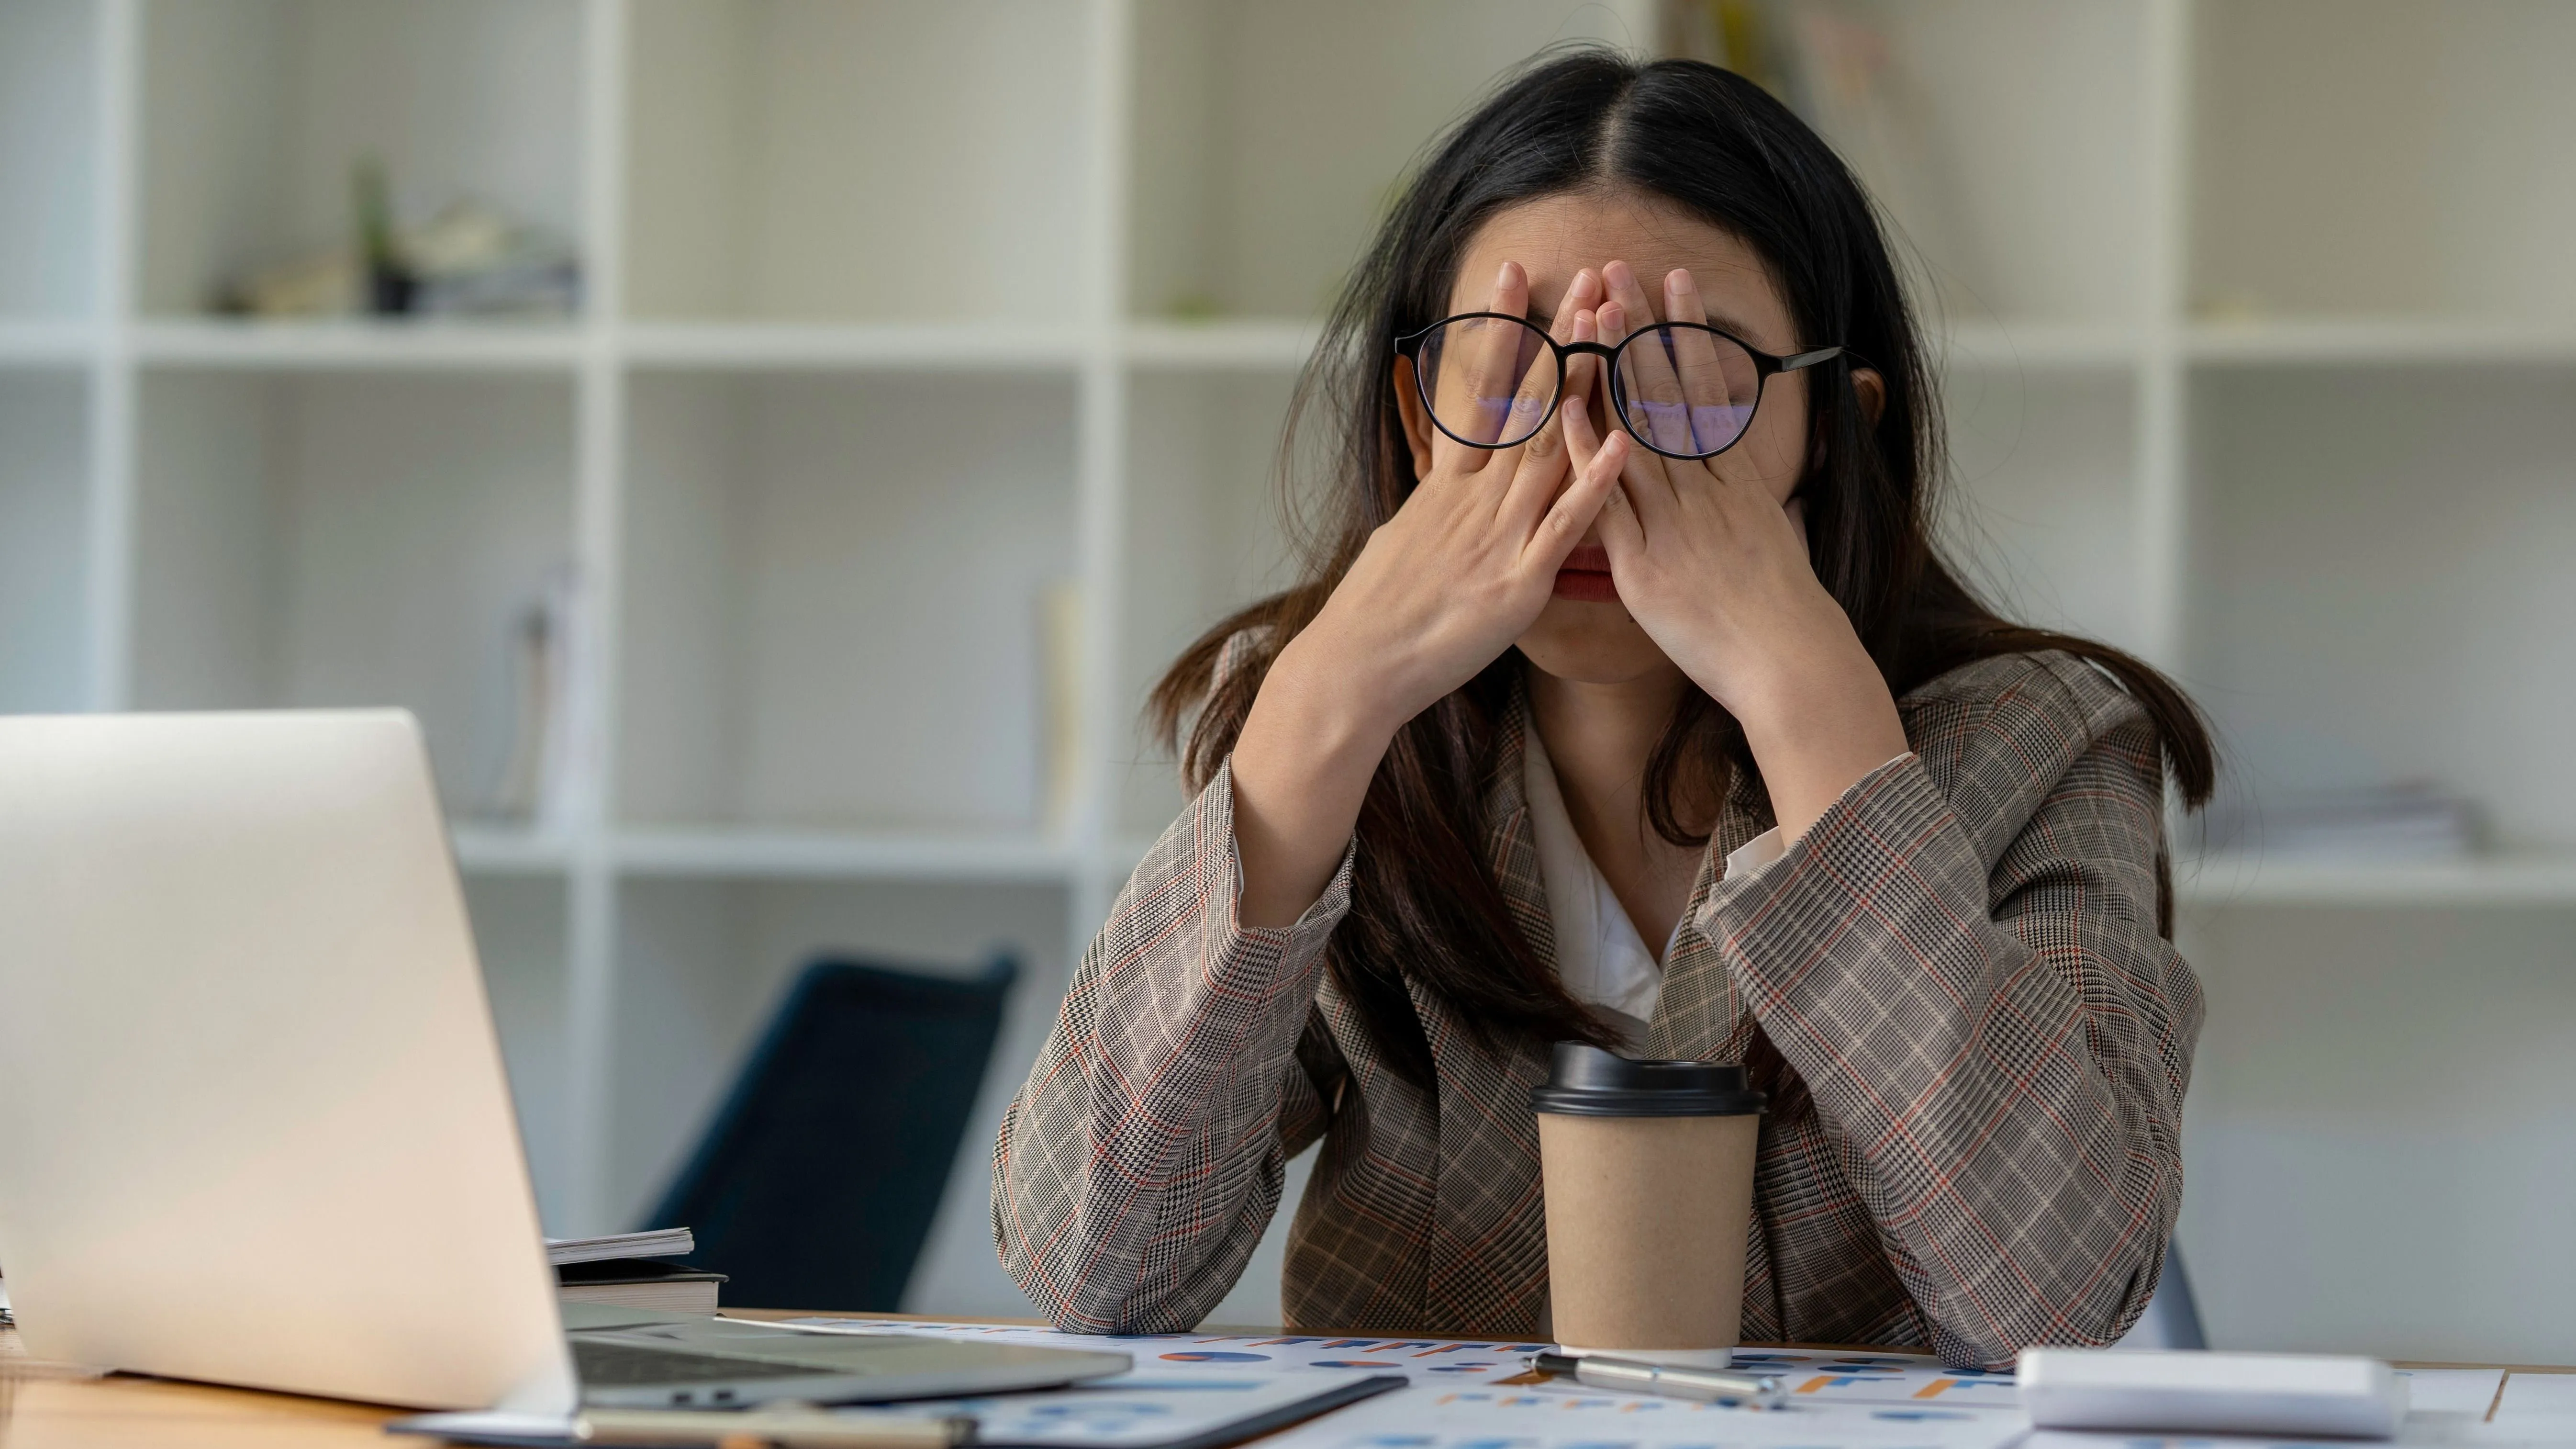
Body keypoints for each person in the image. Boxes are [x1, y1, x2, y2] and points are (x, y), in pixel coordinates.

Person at [992, 51, 2210, 1370]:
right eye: (1509, 368)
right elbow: (1090, 1272)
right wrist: (1321, 707)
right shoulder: (1327, 733)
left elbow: (2051, 1304)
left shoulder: (2045, 741)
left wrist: (1815, 714)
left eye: (1683, 375)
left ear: (1834, 431)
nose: (1587, 453)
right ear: (1416, 420)